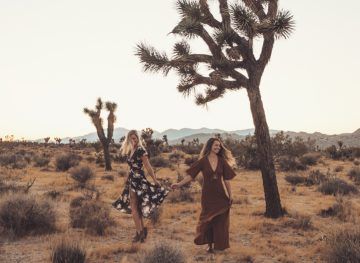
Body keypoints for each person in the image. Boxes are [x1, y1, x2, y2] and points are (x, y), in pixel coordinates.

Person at [171, 137, 237, 252]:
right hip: (207, 195)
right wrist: (179, 184)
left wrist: (230, 195)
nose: (218, 147)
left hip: (220, 195)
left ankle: (218, 245)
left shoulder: (222, 161)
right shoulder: (203, 161)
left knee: (220, 220)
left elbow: (227, 180)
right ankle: (209, 245)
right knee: (207, 220)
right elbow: (191, 176)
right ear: (210, 146)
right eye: (215, 145)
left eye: (219, 146)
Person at [113, 130, 169, 242]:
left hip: (138, 181)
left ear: (138, 138)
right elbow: (131, 167)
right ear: (128, 139)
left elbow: (148, 166)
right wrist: (127, 179)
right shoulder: (131, 150)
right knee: (136, 207)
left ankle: (139, 233)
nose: (133, 140)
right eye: (131, 138)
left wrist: (155, 180)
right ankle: (141, 232)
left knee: (134, 207)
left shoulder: (140, 150)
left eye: (135, 138)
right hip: (131, 179)